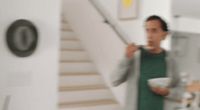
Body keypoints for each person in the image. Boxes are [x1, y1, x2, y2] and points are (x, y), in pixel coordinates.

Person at [110, 15, 180, 110]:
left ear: (164, 35)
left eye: (154, 30)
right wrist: (126, 58)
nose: (149, 35)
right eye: (147, 30)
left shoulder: (170, 60)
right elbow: (114, 81)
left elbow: (180, 90)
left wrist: (167, 92)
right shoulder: (135, 56)